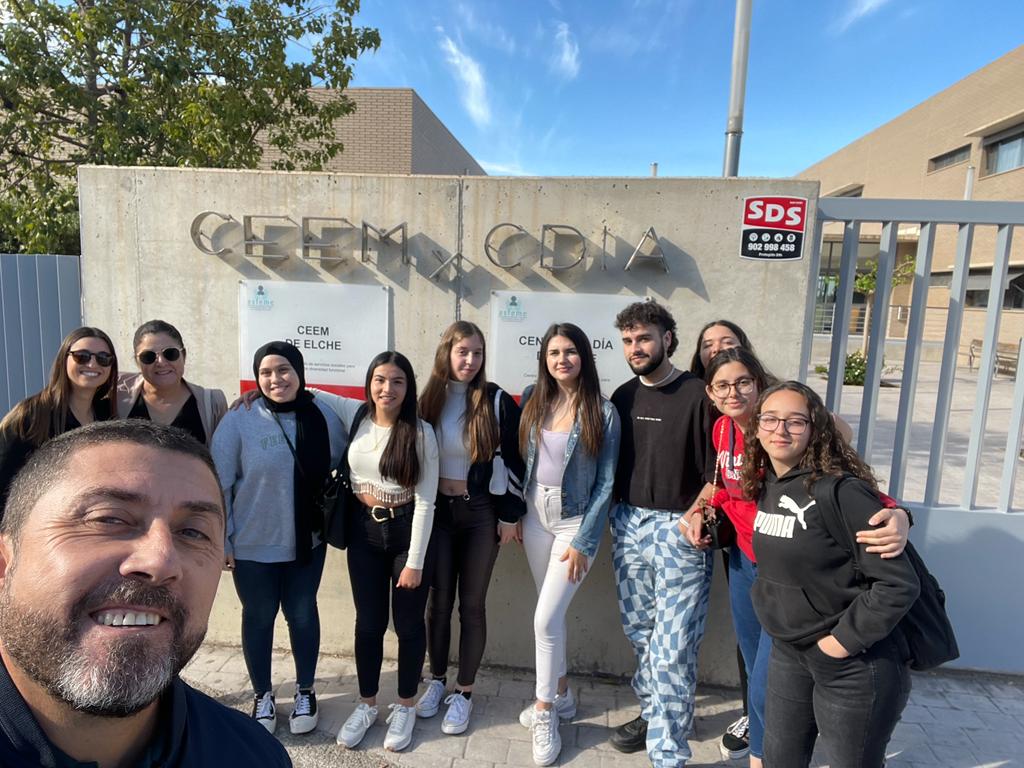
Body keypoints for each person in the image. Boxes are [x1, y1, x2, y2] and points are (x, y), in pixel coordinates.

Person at [0, 420, 291, 766]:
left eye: (193, 532)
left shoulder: (254, 756)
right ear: (4, 565)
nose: (161, 561)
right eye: (108, 519)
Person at [684, 348, 911, 767]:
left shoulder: (811, 469)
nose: (733, 392)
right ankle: (761, 745)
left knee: (766, 688)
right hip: (753, 566)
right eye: (722, 385)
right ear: (710, 393)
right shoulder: (734, 439)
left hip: (809, 600)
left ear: (758, 384)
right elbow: (725, 486)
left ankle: (758, 750)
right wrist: (699, 509)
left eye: (743, 382)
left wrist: (898, 513)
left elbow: (859, 497)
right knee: (759, 673)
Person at [740, 381, 920, 768]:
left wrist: (837, 646)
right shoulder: (768, 484)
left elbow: (898, 584)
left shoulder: (839, 491)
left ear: (815, 429)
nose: (780, 430)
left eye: (795, 421)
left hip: (852, 663)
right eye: (770, 419)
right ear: (757, 426)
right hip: (789, 652)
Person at [211, 341, 346, 737]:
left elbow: (344, 456)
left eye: (284, 370)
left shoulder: (322, 414)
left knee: (302, 614)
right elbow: (219, 484)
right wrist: (223, 539)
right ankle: (263, 695)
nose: (275, 379)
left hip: (308, 543)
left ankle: (305, 691)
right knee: (258, 617)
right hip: (252, 546)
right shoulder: (240, 418)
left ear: (299, 372)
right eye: (266, 373)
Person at [607, 300, 713, 768]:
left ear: (667, 339)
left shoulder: (699, 395)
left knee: (673, 647)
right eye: (628, 340)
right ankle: (657, 714)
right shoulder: (622, 397)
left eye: (644, 338)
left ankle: (667, 753)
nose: (636, 347)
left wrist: (694, 516)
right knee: (642, 633)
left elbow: (718, 472)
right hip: (628, 525)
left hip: (679, 529)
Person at [515, 323, 620, 766]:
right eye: (554, 352)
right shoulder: (534, 399)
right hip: (534, 516)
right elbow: (522, 461)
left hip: (574, 522)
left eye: (571, 351)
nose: (562, 360)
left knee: (544, 619)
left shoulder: (603, 411)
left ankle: (544, 710)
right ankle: (564, 695)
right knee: (551, 616)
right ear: (544, 359)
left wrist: (584, 539)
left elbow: (606, 482)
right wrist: (515, 513)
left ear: (584, 357)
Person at [414, 321, 525, 735]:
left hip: (480, 514)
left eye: (477, 353)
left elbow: (517, 459)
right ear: (446, 352)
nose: (471, 360)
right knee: (438, 603)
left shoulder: (495, 400)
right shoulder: (428, 400)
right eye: (463, 351)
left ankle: (463, 692)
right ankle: (437, 680)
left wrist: (510, 515)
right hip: (439, 514)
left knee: (472, 604)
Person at [335, 351, 439, 753]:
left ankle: (406, 704)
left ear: (408, 387)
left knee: (409, 624)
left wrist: (415, 561)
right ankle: (366, 704)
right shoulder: (357, 415)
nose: (387, 389)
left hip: (405, 531)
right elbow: (307, 391)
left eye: (397, 381)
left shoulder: (421, 433)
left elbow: (427, 502)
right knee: (369, 623)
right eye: (380, 379)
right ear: (369, 383)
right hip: (363, 532)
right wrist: (254, 396)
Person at [0, 326, 118, 514]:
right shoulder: (32, 415)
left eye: (103, 358)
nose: (92, 364)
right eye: (82, 356)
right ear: (64, 360)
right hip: (42, 522)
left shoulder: (107, 415)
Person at [119, 319, 227, 445]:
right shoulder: (119, 399)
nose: (161, 362)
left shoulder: (213, 403)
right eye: (148, 356)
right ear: (137, 362)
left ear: (184, 355)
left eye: (170, 353)